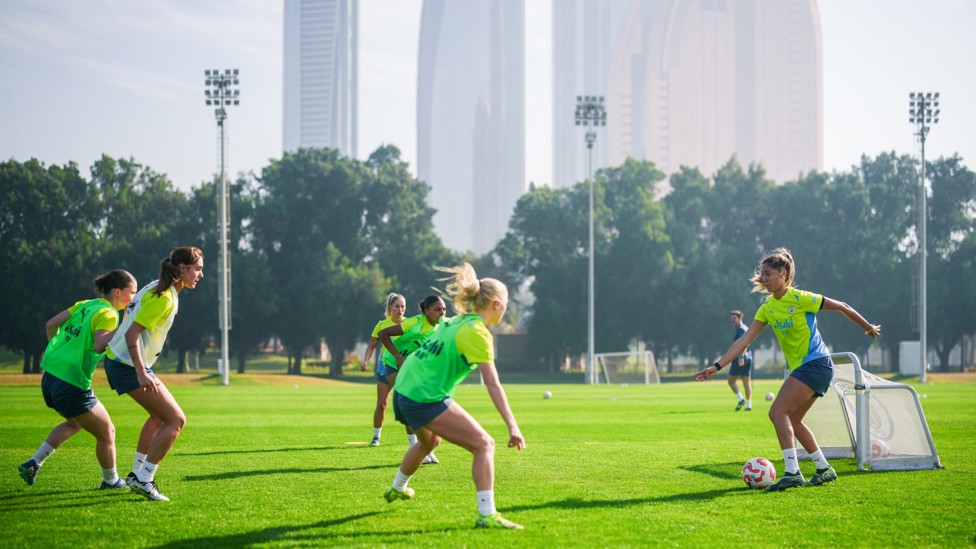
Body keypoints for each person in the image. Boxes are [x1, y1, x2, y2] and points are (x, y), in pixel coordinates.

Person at [695, 248, 880, 492]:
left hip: (816, 364)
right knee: (792, 418)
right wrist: (717, 366)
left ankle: (792, 472)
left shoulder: (801, 298)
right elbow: (743, 341)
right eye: (762, 274)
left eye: (768, 273)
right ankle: (824, 468)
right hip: (811, 368)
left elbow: (842, 306)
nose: (764, 278)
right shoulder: (767, 308)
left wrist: (867, 327)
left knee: (777, 412)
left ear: (783, 274)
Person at [383, 263, 525, 529]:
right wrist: (513, 426)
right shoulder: (477, 332)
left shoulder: (456, 321)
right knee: (484, 444)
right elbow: (493, 385)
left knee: (429, 443)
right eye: (505, 303)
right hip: (422, 396)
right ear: (496, 305)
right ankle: (487, 515)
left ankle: (397, 488)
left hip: (403, 390)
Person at [18, 270, 138, 490]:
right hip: (72, 384)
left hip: (50, 378)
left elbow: (50, 324)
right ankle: (111, 481)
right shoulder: (110, 314)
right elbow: (100, 343)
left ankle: (33, 464)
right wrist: (126, 326)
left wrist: (60, 352)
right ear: (118, 292)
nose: (135, 298)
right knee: (107, 431)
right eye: (133, 293)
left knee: (74, 423)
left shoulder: (86, 304)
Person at [104, 247, 204, 502]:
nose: (200, 274)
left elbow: (130, 319)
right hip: (126, 365)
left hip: (121, 362)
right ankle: (144, 479)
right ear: (182, 270)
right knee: (176, 420)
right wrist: (140, 371)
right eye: (197, 269)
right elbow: (131, 333)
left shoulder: (155, 287)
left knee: (159, 417)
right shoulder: (164, 297)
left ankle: (136, 474)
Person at [377, 295, 448, 464]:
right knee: (411, 404)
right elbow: (383, 334)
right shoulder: (414, 322)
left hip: (413, 369)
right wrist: (397, 356)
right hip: (393, 365)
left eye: (444, 309)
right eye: (437, 309)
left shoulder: (440, 328)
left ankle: (425, 448)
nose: (442, 313)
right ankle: (416, 449)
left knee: (424, 406)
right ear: (426, 310)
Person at [359, 293, 406, 446]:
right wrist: (365, 361)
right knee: (382, 404)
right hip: (386, 366)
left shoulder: (410, 324)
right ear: (390, 308)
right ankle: (376, 437)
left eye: (403, 306)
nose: (400, 309)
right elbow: (372, 345)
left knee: (407, 402)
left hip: (405, 367)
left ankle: (414, 441)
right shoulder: (381, 325)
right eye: (397, 306)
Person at [727, 310, 754, 411]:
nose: (732, 321)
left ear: (740, 318)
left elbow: (743, 345)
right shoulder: (745, 328)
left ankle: (741, 399)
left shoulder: (740, 330)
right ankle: (749, 405)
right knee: (746, 383)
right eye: (731, 319)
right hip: (749, 357)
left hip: (741, 358)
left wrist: (741, 357)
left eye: (734, 319)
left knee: (731, 380)